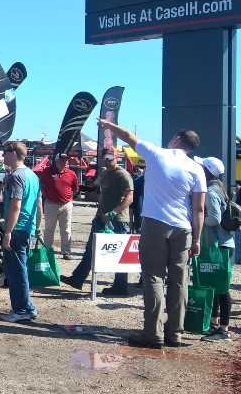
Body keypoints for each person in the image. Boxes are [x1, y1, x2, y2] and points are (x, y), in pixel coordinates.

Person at [97, 120, 206, 349]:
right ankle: (174, 333)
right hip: (184, 229)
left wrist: (108, 124)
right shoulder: (196, 169)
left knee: (153, 277)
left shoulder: (157, 154)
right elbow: (199, 208)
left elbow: (127, 135)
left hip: (156, 224)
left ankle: (152, 333)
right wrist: (196, 239)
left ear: (176, 138)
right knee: (179, 281)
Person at [60, 147, 133, 295]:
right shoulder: (105, 173)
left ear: (116, 157)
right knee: (90, 250)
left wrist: (113, 213)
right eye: (104, 158)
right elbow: (96, 187)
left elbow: (129, 198)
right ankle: (77, 279)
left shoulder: (123, 175)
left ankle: (120, 286)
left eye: (109, 158)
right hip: (100, 218)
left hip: (117, 220)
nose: (106, 160)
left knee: (119, 253)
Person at [0, 140, 42, 323]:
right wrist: (37, 228)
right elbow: (39, 205)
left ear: (14, 153)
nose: (3, 155)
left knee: (16, 272)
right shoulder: (32, 175)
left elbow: (15, 206)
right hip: (28, 227)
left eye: (6, 151)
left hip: (17, 228)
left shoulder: (18, 176)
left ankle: (21, 309)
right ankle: (28, 307)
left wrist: (7, 231)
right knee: (20, 269)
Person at [195, 156, 234, 343]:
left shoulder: (210, 192)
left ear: (207, 171)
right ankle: (215, 323)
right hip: (223, 243)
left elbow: (214, 219)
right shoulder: (218, 188)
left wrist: (198, 220)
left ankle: (224, 329)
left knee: (222, 289)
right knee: (215, 286)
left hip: (220, 245)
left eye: (201, 166)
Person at [39, 152, 79, 260]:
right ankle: (47, 250)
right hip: (51, 204)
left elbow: (75, 188)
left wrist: (69, 197)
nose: (65, 162)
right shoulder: (47, 172)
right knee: (49, 228)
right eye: (62, 160)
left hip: (66, 205)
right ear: (56, 161)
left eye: (66, 160)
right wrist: (46, 195)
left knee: (66, 229)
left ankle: (66, 251)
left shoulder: (71, 173)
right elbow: (42, 185)